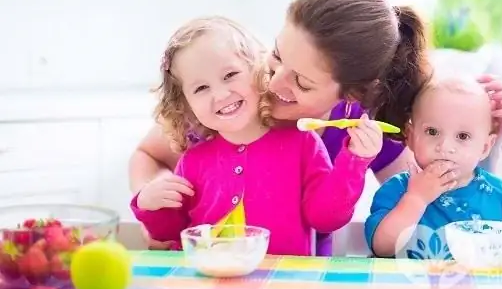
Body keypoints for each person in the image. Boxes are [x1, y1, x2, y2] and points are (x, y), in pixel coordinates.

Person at [128, 0, 502, 253]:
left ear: (349, 97)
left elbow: (440, 203)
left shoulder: (353, 126)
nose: (275, 81)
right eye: (277, 55)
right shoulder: (224, 100)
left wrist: (489, 146)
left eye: (302, 82)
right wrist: (161, 204)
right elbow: (147, 155)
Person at [131, 16, 382, 255]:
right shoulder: (192, 161)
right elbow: (171, 233)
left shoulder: (303, 144)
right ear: (185, 104)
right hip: (208, 285)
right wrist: (149, 205)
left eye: (230, 75)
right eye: (201, 88)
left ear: (258, 71)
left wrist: (354, 162)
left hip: (282, 286)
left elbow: (326, 218)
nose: (220, 95)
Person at [364, 75, 502, 262]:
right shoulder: (398, 190)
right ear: (410, 136)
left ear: (485, 147)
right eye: (432, 131)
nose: (445, 147)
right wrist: (416, 199)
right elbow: (383, 248)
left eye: (462, 136)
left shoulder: (501, 194)